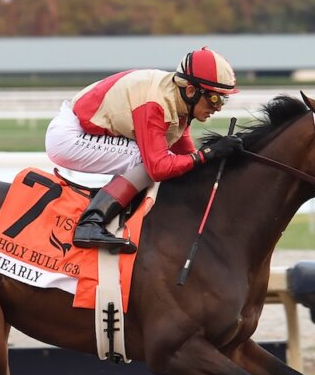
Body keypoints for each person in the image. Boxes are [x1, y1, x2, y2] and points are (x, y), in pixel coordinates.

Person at [44, 47, 244, 254]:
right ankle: (91, 223)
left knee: (165, 160)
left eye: (224, 99)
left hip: (85, 131)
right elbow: (158, 168)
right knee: (146, 160)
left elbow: (186, 156)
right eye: (215, 98)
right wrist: (208, 153)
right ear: (192, 91)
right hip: (69, 137)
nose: (219, 107)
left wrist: (215, 160)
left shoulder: (179, 101)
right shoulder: (156, 104)